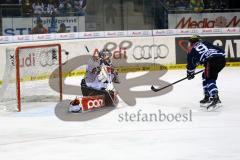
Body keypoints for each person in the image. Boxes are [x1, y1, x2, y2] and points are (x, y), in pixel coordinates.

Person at [186, 35, 226, 111]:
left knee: (209, 78)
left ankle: (215, 97)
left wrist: (190, 73)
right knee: (205, 75)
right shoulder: (205, 43)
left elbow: (191, 63)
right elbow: (220, 51)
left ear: (191, 42)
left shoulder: (191, 50)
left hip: (210, 61)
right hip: (221, 59)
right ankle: (207, 96)